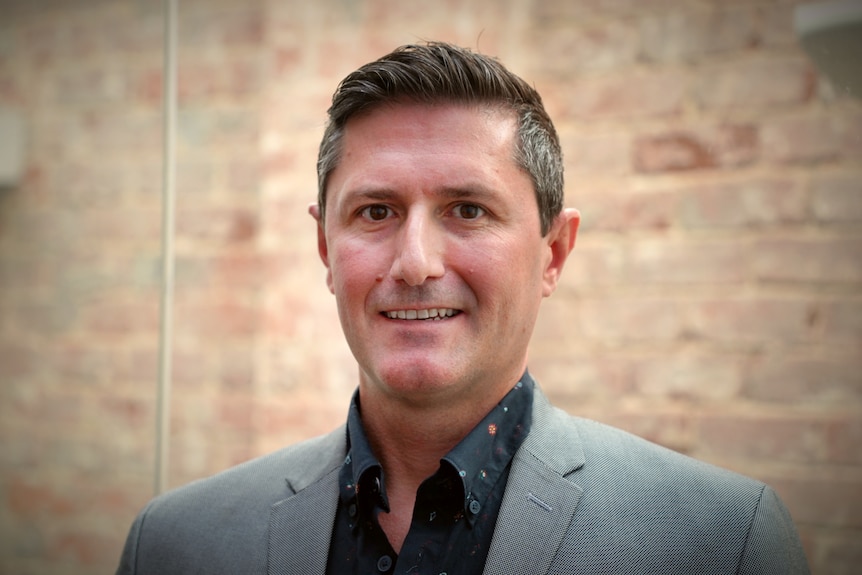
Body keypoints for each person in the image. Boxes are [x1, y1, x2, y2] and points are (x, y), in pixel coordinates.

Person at [116, 42, 810, 575]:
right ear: (326, 248)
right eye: (376, 210)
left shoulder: (720, 543)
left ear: (554, 253)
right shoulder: (177, 543)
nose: (415, 262)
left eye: (469, 209)